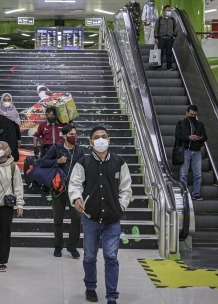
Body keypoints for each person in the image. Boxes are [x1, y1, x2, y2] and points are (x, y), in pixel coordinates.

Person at [68, 126, 133, 304]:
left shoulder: (119, 162)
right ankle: (90, 287)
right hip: (91, 218)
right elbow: (74, 184)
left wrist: (121, 207)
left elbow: (126, 188)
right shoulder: (83, 162)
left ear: (109, 140)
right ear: (91, 142)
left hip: (113, 220)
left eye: (104, 136)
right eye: (97, 137)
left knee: (111, 257)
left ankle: (112, 295)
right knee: (89, 256)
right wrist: (77, 199)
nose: (101, 139)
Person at [41, 124, 85, 259]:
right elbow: (43, 162)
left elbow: (84, 168)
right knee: (58, 219)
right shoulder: (57, 148)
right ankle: (58, 246)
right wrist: (57, 161)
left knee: (77, 219)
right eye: (71, 134)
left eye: (75, 134)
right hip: (58, 188)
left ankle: (72, 247)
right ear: (64, 136)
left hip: (75, 191)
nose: (74, 137)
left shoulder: (79, 150)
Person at [0, 141, 24, 273]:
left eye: (0, 148)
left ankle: (1, 260)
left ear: (7, 150)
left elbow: (18, 186)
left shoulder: (13, 166)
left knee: (5, 234)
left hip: (7, 205)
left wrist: (19, 203)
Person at [175, 105, 208, 201]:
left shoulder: (200, 124)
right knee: (183, 174)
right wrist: (188, 137)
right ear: (187, 113)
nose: (193, 116)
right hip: (185, 150)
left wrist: (200, 138)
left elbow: (205, 137)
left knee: (198, 174)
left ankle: (196, 193)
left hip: (197, 151)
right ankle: (184, 193)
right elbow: (177, 136)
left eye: (195, 115)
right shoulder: (181, 123)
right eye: (191, 114)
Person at [0, 93, 22, 161]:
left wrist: (18, 139)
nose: (7, 102)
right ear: (2, 100)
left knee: (11, 157)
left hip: (11, 137)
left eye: (8, 100)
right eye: (5, 100)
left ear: (11, 101)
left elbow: (17, 126)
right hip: (0, 137)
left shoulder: (15, 112)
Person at [154, 5, 178, 71]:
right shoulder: (160, 19)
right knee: (160, 53)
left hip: (170, 39)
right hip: (161, 38)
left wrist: (175, 36)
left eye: (170, 10)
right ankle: (158, 66)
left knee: (169, 53)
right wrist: (156, 37)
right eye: (167, 10)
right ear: (164, 11)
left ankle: (169, 67)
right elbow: (156, 28)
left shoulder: (172, 20)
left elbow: (175, 28)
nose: (169, 11)